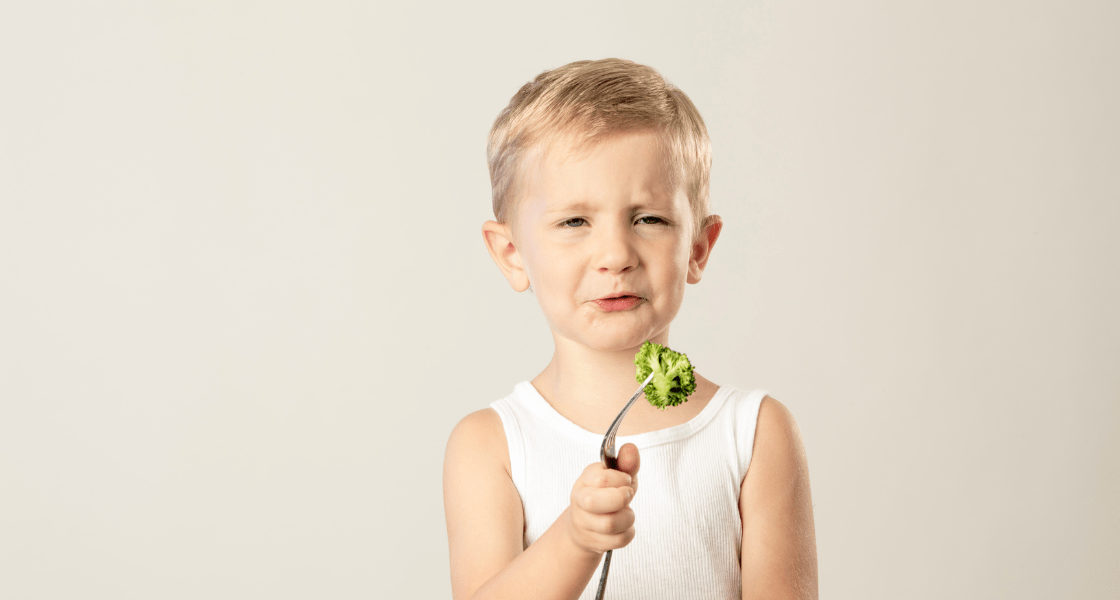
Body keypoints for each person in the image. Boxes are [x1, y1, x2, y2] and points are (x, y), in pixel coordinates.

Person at [443, 58, 818, 600]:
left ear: (698, 248)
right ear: (511, 253)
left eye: (650, 220)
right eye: (574, 222)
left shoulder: (756, 434)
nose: (616, 255)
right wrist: (574, 540)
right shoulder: (489, 445)